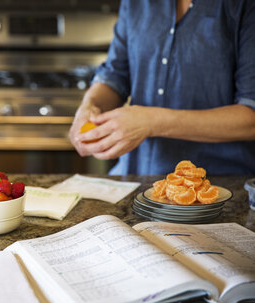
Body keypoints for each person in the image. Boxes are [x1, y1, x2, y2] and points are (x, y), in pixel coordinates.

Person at [69, 0, 255, 175]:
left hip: (218, 185)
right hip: (136, 177)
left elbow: (251, 118)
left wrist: (152, 121)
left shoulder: (243, 5)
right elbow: (115, 75)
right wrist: (90, 105)